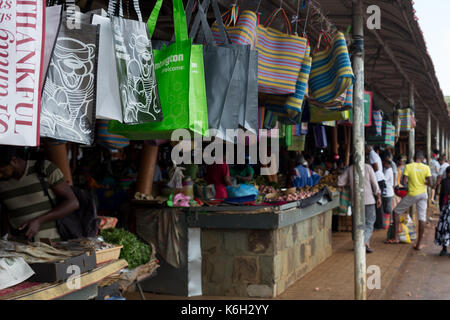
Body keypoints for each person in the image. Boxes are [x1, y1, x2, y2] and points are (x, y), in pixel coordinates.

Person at [0, 147, 79, 242]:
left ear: (14, 160)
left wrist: (39, 221)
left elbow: (73, 202)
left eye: (2, 170)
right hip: (20, 248)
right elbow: (5, 211)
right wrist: (6, 236)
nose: (0, 175)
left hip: (53, 244)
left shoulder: (45, 168)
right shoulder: (2, 182)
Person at [387, 151, 432, 250]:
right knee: (422, 218)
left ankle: (396, 238)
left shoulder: (408, 166)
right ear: (423, 159)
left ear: (413, 158)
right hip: (423, 195)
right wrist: (422, 181)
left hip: (412, 193)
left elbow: (404, 181)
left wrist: (412, 181)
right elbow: (430, 183)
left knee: (396, 212)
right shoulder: (426, 167)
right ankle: (419, 244)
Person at [338, 160, 382, 253]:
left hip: (356, 201)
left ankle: (359, 244)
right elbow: (375, 183)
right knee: (369, 222)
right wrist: (378, 197)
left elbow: (340, 182)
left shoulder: (350, 169)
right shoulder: (368, 167)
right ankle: (364, 242)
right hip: (369, 200)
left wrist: (349, 183)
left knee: (357, 223)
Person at [366, 145, 386, 229]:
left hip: (377, 180)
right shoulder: (374, 154)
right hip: (379, 179)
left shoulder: (372, 155)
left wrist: (368, 172)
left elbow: (376, 167)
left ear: (368, 149)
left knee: (377, 202)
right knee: (378, 201)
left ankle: (378, 224)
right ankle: (378, 223)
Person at [435, 166, 450, 256]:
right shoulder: (445, 182)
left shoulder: (444, 182)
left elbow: (442, 196)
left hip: (445, 208)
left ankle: (444, 249)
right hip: (447, 208)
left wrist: (441, 208)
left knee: (445, 228)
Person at [382, 155, 395, 228]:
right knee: (386, 209)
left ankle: (390, 222)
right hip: (386, 193)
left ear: (388, 164)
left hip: (388, 193)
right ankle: (386, 223)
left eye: (385, 163)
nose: (384, 164)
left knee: (388, 209)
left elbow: (384, 179)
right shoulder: (386, 169)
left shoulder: (389, 171)